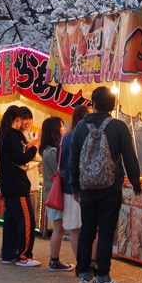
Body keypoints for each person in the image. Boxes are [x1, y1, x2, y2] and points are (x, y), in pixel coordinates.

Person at [69, 86, 142, 283]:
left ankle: (84, 275)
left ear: (93, 104)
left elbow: (73, 159)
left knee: (87, 231)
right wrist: (136, 183)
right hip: (111, 187)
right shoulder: (118, 127)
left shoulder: (81, 128)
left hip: (87, 189)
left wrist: (75, 186)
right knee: (106, 232)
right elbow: (129, 157)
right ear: (112, 106)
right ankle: (103, 278)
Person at [0, 105, 41, 266]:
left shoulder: (2, 135)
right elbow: (19, 158)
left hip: (8, 183)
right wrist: (33, 149)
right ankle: (24, 255)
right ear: (18, 119)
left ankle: (8, 254)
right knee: (27, 220)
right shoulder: (13, 136)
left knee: (11, 221)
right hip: (17, 184)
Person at [58, 104, 92, 262]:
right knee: (91, 229)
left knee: (75, 229)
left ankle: (81, 264)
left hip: (68, 188)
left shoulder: (64, 138)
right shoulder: (88, 136)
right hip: (86, 188)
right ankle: (89, 264)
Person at [40, 115, 73, 271]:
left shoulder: (48, 150)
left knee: (58, 228)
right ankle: (54, 260)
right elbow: (60, 172)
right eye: (61, 126)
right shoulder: (52, 151)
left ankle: (55, 260)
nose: (64, 128)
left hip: (52, 192)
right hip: (56, 194)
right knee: (58, 229)